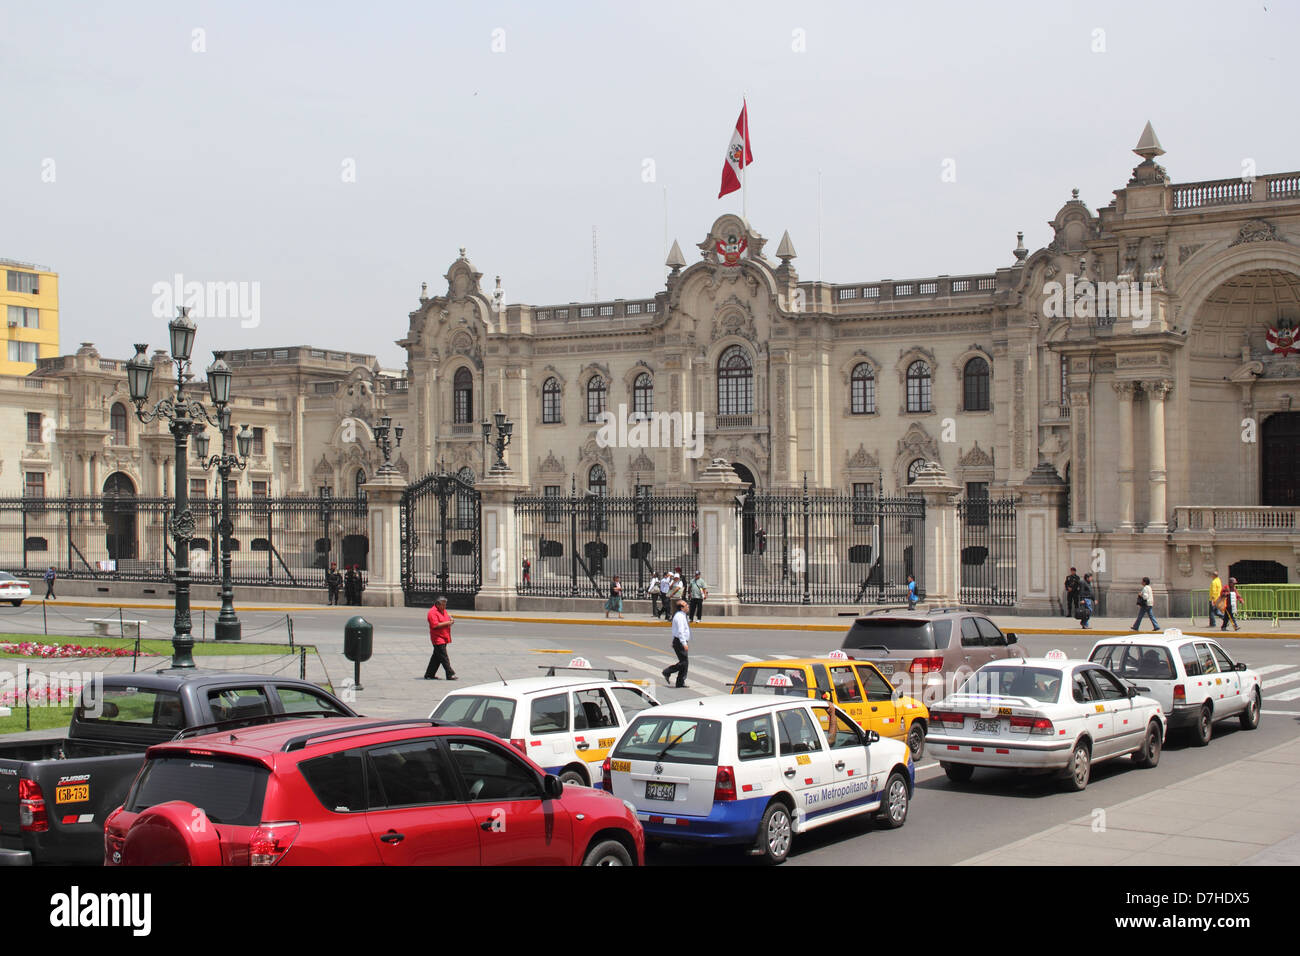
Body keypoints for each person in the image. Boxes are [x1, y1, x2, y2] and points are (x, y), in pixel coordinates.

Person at [423, 595, 457, 679]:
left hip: (444, 636)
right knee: (443, 656)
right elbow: (435, 625)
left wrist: (450, 620)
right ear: (438, 604)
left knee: (436, 657)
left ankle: (429, 674)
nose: (445, 607)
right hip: (437, 638)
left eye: (445, 605)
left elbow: (446, 618)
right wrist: (449, 622)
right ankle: (450, 673)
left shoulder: (443, 611)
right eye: (443, 605)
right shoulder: (432, 612)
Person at [662, 599, 691, 688]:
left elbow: (675, 630)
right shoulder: (679, 617)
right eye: (686, 605)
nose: (688, 606)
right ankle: (667, 671)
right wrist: (683, 643)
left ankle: (680, 682)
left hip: (678, 641)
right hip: (680, 641)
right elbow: (680, 631)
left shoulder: (682, 615)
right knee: (684, 662)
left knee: (684, 662)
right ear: (682, 608)